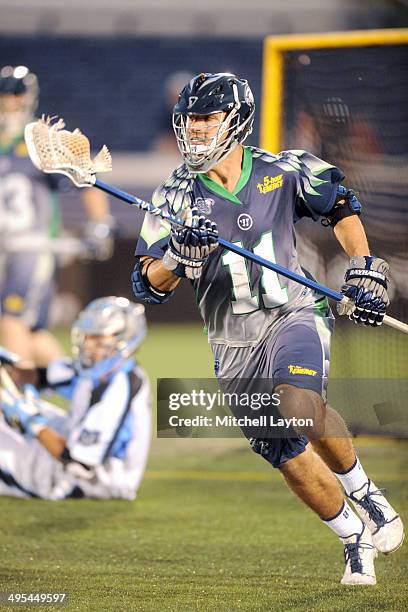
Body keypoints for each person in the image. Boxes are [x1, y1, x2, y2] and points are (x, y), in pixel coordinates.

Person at [131, 72, 404, 585]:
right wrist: (179, 256)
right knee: (285, 453)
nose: (196, 130)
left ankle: (365, 491)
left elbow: (341, 205)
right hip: (232, 343)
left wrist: (363, 264)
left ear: (235, 121)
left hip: (291, 315)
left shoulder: (282, 170)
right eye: (190, 120)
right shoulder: (172, 196)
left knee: (296, 402)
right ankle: (352, 536)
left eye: (207, 118)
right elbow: (148, 283)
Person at [0, 65, 115, 366]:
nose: (9, 103)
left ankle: (21, 405)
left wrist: (100, 223)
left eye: (15, 95)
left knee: (11, 321)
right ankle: (84, 388)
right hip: (3, 249)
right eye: (4, 96)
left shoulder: (41, 139)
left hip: (30, 247)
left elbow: (86, 178)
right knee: (32, 333)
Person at [0, 297, 151, 500]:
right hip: (79, 449)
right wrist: (8, 365)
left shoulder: (119, 386)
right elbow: (39, 377)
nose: (88, 345)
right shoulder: (102, 368)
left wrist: (34, 423)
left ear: (123, 341)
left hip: (96, 480)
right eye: (87, 336)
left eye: (97, 339)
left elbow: (80, 465)